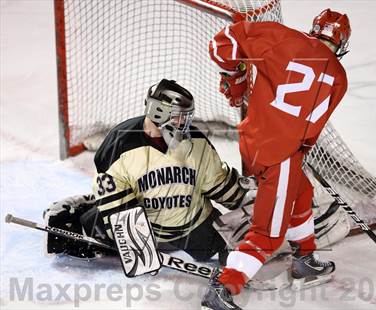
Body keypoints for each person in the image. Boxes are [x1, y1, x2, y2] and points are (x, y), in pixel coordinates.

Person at [202, 9, 351, 309]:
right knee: (268, 233)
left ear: (315, 29)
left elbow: (223, 42)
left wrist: (236, 74)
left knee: (302, 191)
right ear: (342, 43)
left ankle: (305, 260)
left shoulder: (281, 37)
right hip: (280, 155)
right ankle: (223, 289)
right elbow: (310, 131)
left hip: (253, 143)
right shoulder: (338, 77)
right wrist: (296, 151)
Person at [43, 79, 249, 265]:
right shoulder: (121, 142)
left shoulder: (196, 142)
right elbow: (116, 203)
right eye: (179, 117)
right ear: (159, 112)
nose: (184, 124)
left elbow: (219, 183)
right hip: (144, 223)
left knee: (223, 253)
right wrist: (136, 242)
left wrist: (249, 199)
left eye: (186, 118)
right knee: (85, 240)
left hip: (190, 224)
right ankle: (81, 208)